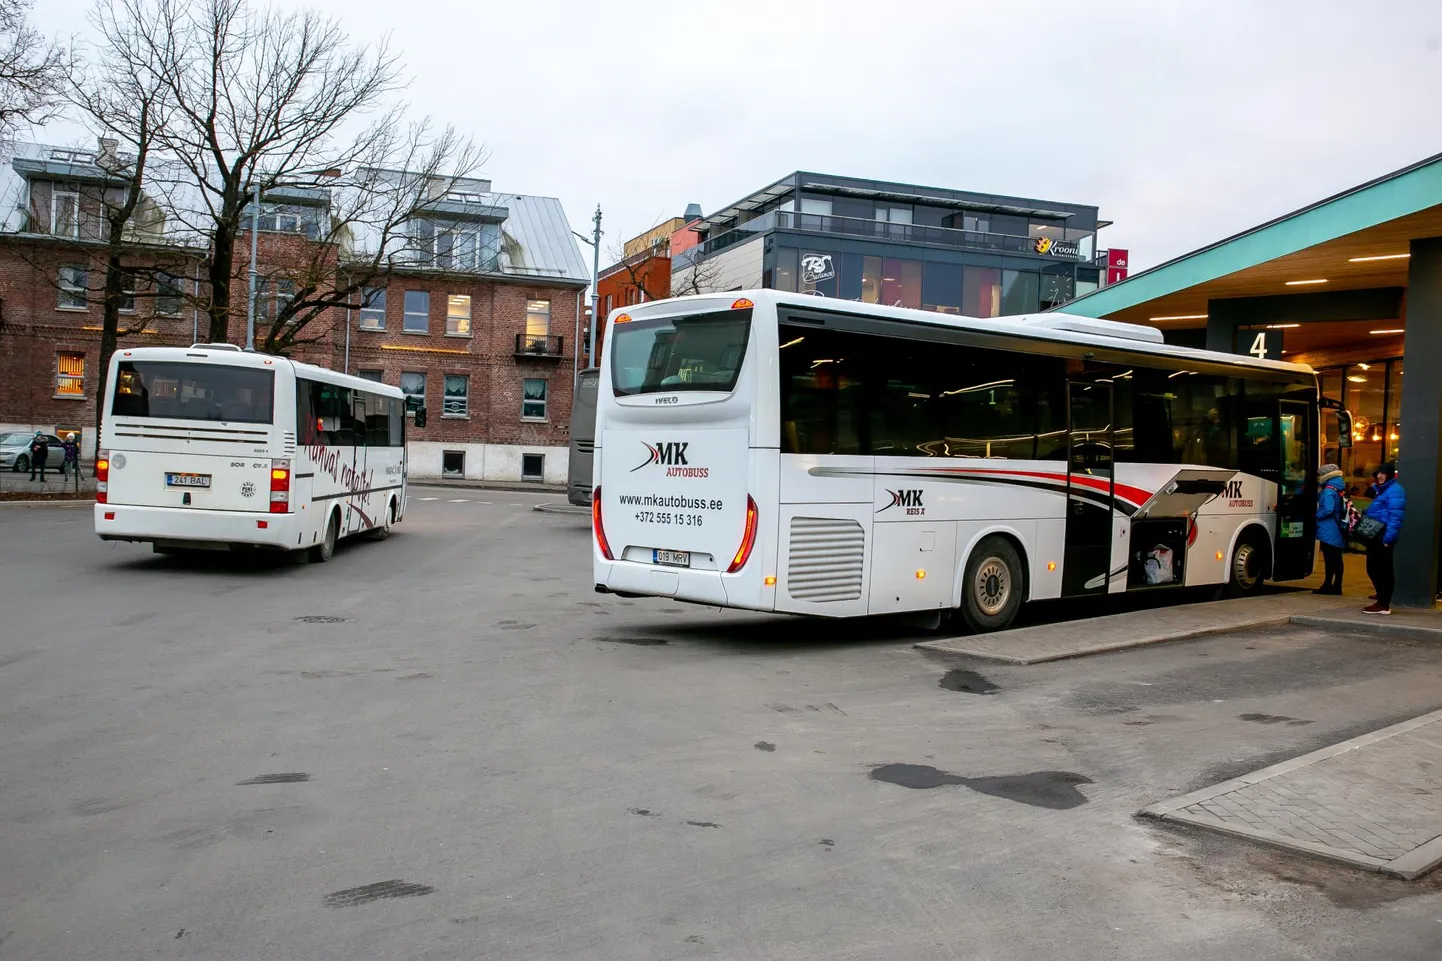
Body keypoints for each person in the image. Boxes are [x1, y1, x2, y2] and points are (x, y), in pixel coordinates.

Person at [1362, 462, 1406, 615]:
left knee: (1381, 569)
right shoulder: (1383, 490)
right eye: (1377, 473)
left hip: (1383, 535)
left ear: (1389, 474)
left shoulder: (1394, 491)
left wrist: (1388, 538)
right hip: (1377, 534)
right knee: (1374, 568)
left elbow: (1396, 517)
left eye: (1382, 473)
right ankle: (1382, 599)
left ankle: (1383, 603)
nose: (1379, 476)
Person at [1314, 463, 1347, 595]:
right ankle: (1337, 586)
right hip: (1338, 527)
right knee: (1337, 559)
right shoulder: (1339, 487)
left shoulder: (1328, 490)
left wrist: (1316, 516)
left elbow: (1328, 508)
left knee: (1330, 559)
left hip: (1328, 529)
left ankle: (1328, 585)